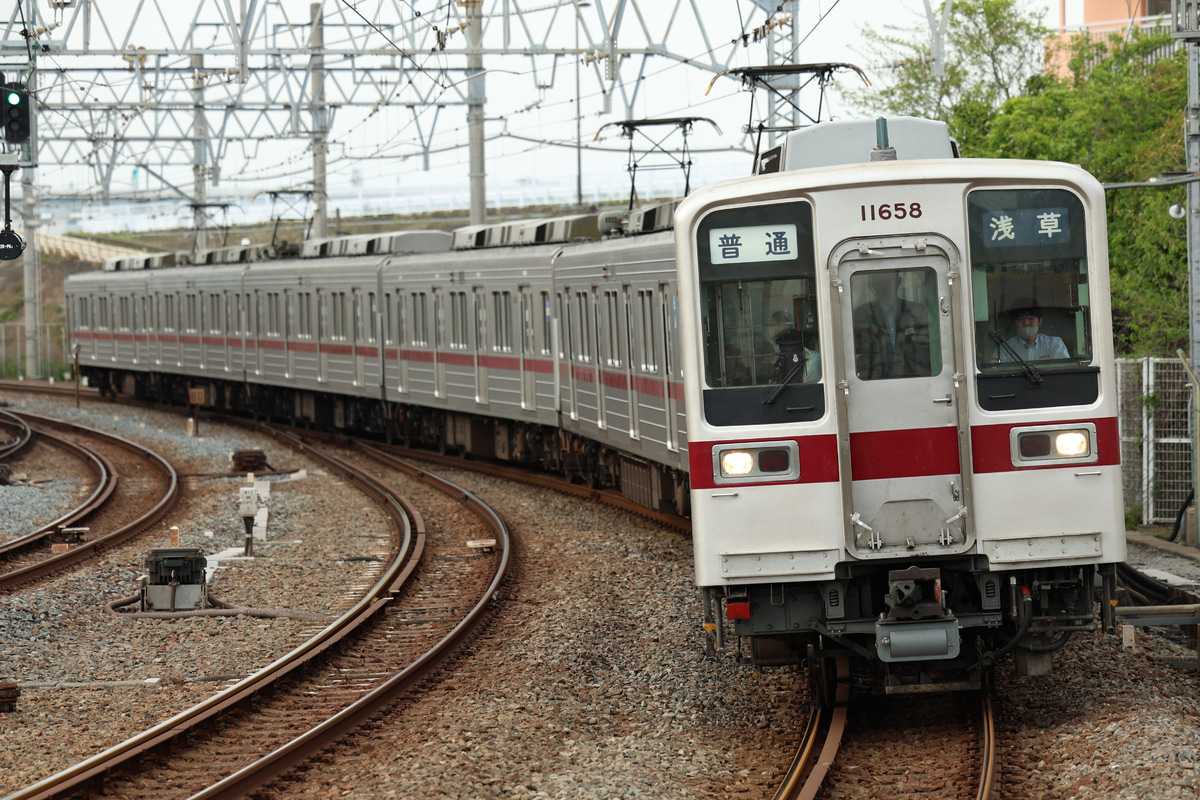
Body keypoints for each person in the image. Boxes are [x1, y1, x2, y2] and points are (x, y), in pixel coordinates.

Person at [851, 271, 931, 379]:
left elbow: (928, 351)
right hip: (873, 383)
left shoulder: (919, 312)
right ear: (872, 285)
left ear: (899, 282)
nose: (885, 286)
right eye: (879, 282)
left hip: (915, 380)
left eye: (889, 281)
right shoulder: (859, 316)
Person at [999, 301, 1069, 362]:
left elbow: (1064, 372)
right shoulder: (1005, 348)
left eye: (1031, 318)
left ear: (1040, 321)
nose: (1026, 323)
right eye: (1020, 318)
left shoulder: (1054, 344)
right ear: (1014, 322)